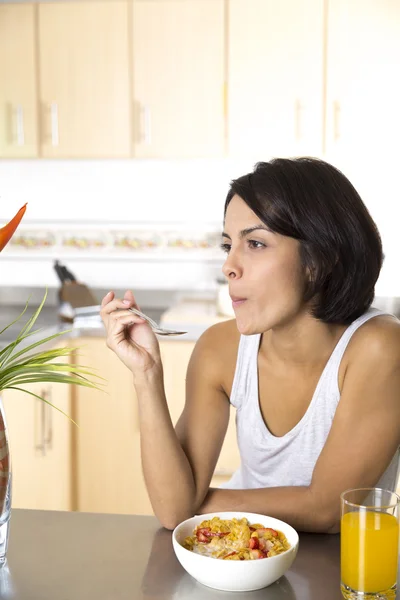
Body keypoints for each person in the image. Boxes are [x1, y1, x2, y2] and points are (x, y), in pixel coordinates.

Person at [100, 157, 400, 534]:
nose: (229, 265)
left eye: (255, 243)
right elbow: (173, 511)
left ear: (320, 260)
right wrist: (146, 373)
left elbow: (328, 507)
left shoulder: (378, 347)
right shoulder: (220, 348)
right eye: (228, 245)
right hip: (239, 555)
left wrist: (196, 502)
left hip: (342, 574)